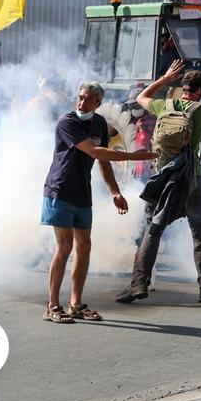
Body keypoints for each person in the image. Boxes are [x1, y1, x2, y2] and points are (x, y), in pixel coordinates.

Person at [116, 59, 201, 304]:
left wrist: (164, 78)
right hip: (193, 178)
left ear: (183, 87)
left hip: (163, 177)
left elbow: (140, 97)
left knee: (153, 229)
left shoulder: (165, 105)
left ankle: (138, 284)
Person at [40, 82, 158, 324]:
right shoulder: (67, 122)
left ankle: (76, 304)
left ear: (98, 103)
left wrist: (115, 192)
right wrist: (133, 156)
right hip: (59, 191)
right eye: (80, 97)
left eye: (88, 99)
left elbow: (103, 162)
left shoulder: (99, 123)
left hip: (82, 193)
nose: (82, 102)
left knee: (84, 246)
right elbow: (96, 152)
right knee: (64, 248)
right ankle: (52, 305)